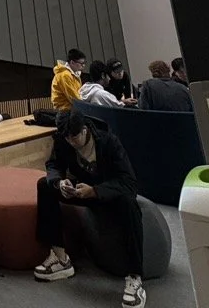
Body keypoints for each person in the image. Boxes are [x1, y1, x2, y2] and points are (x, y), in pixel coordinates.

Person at [34, 114, 146, 307]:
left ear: (85, 130)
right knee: (45, 186)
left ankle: (135, 277)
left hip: (107, 192)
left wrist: (95, 191)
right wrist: (59, 182)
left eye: (74, 137)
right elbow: (53, 165)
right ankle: (61, 259)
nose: (71, 141)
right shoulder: (63, 139)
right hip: (80, 190)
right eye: (67, 138)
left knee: (130, 204)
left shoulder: (109, 142)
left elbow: (128, 182)